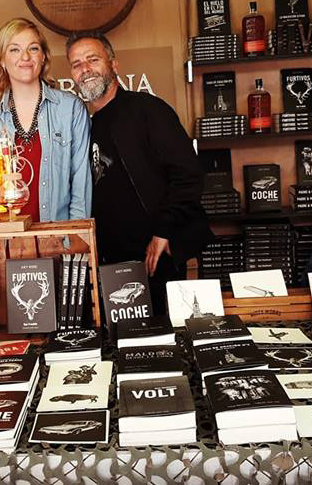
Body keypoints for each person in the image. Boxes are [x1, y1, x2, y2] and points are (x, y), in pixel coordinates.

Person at [67, 31, 211, 312]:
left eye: (93, 59)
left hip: (156, 256)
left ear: (113, 64)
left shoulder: (149, 110)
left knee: (166, 343)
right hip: (109, 263)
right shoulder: (83, 126)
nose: (85, 69)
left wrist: (163, 232)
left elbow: (188, 173)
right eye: (76, 64)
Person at [0, 18, 91, 222]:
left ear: (43, 56)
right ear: (1, 59)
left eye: (33, 48)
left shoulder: (70, 109)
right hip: (5, 244)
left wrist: (75, 242)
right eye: (14, 50)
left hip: (59, 240)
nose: (25, 57)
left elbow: (81, 184)